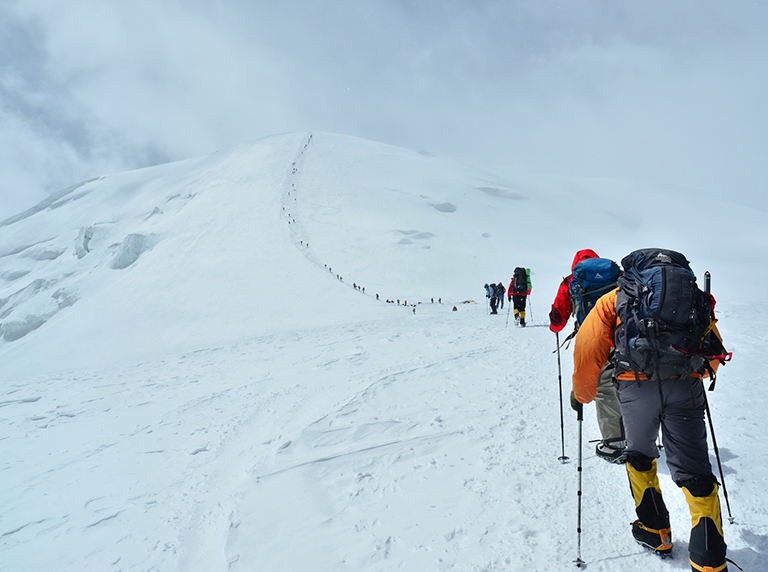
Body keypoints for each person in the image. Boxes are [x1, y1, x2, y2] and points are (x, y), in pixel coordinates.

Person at [572, 248, 730, 571]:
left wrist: (582, 394)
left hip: (635, 385)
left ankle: (655, 529)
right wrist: (693, 373)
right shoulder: (688, 295)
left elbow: (589, 347)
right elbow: (714, 349)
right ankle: (709, 557)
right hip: (685, 384)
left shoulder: (617, 297)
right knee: (695, 468)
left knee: (640, 454)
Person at [550, 249, 625, 462]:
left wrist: (555, 324)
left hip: (591, 340)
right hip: (622, 338)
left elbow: (558, 320)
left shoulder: (571, 281)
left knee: (604, 391)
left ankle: (615, 444)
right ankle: (638, 437)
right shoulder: (617, 276)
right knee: (628, 383)